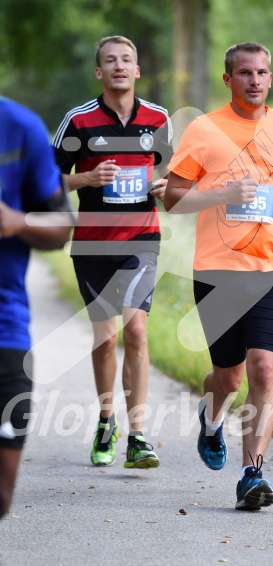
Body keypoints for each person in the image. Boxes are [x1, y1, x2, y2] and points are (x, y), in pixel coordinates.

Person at [164, 42, 273, 510]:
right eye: (245, 72)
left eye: (262, 72)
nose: (255, 79)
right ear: (228, 79)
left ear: (271, 78)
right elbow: (171, 197)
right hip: (217, 272)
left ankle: (252, 474)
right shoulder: (204, 130)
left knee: (264, 367)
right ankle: (211, 420)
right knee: (227, 379)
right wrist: (223, 193)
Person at [52, 36, 174, 469]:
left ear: (137, 70)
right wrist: (85, 180)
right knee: (106, 339)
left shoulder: (157, 118)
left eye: (127, 60)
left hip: (142, 242)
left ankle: (138, 435)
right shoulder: (79, 120)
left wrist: (164, 187)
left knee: (137, 333)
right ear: (99, 72)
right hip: (93, 245)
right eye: (110, 61)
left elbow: (170, 178)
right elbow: (46, 180)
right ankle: (107, 422)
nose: (119, 66)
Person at [0, 96, 72, 519]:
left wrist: (16, 221)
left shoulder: (21, 127)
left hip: (5, 331)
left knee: (1, 497)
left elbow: (62, 227)